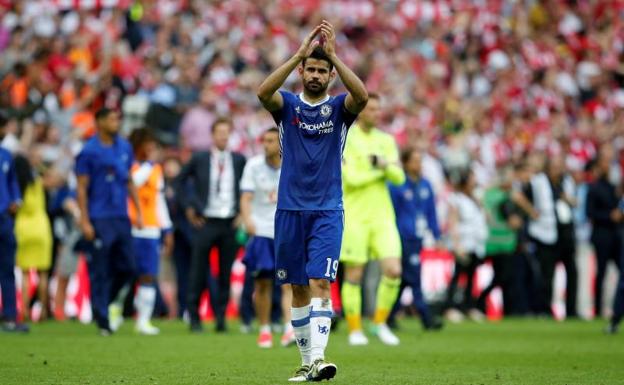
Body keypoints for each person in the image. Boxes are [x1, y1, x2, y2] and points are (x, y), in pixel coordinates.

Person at [257, 20, 368, 382]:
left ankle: (319, 359)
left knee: (322, 282)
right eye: (312, 69)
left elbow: (362, 97)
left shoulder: (339, 109)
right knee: (298, 287)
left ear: (331, 76)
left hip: (327, 210)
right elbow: (262, 93)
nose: (317, 75)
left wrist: (335, 54)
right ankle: (307, 362)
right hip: (289, 209)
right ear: (302, 72)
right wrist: (297, 54)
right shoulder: (287, 106)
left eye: (324, 70)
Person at [339, 93, 405, 346]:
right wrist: (381, 170)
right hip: (355, 216)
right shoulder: (347, 138)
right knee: (354, 274)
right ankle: (355, 330)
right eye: (372, 110)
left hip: (383, 217)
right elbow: (351, 180)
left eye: (379, 110)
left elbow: (399, 178)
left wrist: (381, 165)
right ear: (361, 111)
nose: (376, 114)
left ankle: (379, 323)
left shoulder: (386, 140)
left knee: (393, 271)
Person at [75, 108, 143, 335]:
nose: (116, 122)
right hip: (99, 217)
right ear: (99, 122)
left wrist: (138, 212)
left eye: (118, 118)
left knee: (129, 267)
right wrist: (84, 221)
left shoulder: (125, 147)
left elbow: (130, 180)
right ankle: (102, 319)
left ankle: (105, 303)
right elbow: (82, 188)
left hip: (121, 216)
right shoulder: (88, 151)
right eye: (112, 119)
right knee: (100, 269)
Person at [176, 118, 246, 333]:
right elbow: (179, 182)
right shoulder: (199, 158)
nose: (223, 136)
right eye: (220, 132)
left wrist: (242, 213)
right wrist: (189, 207)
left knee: (225, 272)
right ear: (212, 135)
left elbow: (247, 188)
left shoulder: (238, 160)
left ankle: (221, 318)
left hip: (229, 222)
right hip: (205, 221)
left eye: (227, 132)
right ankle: (194, 317)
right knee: (198, 270)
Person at [240, 127, 295, 348]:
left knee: (289, 283)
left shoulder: (292, 165)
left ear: (280, 144)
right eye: (264, 141)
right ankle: (264, 329)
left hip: (285, 231)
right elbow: (245, 197)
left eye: (271, 141)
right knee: (262, 283)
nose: (266, 145)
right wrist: (247, 220)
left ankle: (289, 328)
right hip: (261, 230)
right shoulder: (253, 165)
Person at [124, 127, 173, 335]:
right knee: (125, 274)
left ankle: (143, 320)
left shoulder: (155, 170)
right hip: (130, 226)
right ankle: (114, 313)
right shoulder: (130, 166)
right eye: (149, 146)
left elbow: (159, 200)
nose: (153, 149)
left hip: (151, 229)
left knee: (149, 275)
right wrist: (150, 164)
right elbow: (133, 183)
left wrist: (167, 228)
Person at [388, 148, 442, 330]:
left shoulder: (426, 185)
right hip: (402, 237)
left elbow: (431, 213)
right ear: (406, 163)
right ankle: (426, 317)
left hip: (418, 238)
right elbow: (390, 212)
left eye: (420, 161)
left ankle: (388, 316)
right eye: (415, 161)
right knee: (415, 277)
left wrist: (436, 235)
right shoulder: (396, 185)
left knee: (404, 279)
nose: (419, 165)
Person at [525, 155, 577, 317]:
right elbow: (520, 196)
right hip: (544, 233)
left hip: (565, 231)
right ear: (548, 168)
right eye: (555, 166)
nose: (558, 170)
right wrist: (531, 212)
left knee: (573, 272)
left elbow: (575, 202)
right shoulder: (537, 181)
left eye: (560, 166)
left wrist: (569, 200)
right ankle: (544, 309)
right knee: (547, 274)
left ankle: (571, 310)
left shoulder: (567, 182)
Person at [444, 168, 488, 322]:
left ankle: (469, 306)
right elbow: (453, 222)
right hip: (463, 242)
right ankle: (450, 307)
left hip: (476, 242)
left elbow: (484, 217)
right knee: (458, 275)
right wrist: (456, 245)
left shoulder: (475, 199)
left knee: (471, 276)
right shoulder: (455, 199)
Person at [14, 154, 53, 321]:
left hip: (23, 228)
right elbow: (53, 177)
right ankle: (43, 311)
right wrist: (39, 166)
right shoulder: (38, 182)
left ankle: (25, 312)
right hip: (41, 227)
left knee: (25, 274)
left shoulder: (16, 186)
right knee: (43, 273)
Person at [586, 145, 622, 318]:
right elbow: (590, 213)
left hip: (615, 235)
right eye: (606, 163)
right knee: (601, 273)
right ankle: (598, 310)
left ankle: (616, 308)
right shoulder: (594, 188)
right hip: (601, 235)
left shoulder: (614, 187)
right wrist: (609, 216)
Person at [0, 113, 28, 332]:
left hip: (4, 219)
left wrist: (16, 201)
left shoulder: (6, 155)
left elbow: (13, 185)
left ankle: (10, 317)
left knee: (8, 269)